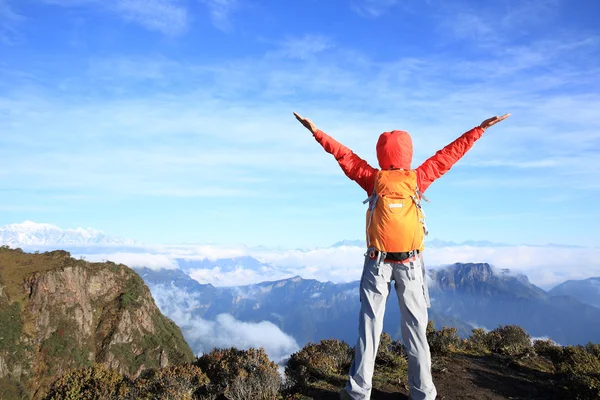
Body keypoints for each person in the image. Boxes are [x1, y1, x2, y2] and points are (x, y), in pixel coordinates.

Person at [293, 111, 510, 400]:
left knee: (369, 327)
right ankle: (423, 393)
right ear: (408, 152)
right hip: (410, 263)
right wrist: (479, 130)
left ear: (381, 153)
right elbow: (448, 155)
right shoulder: (417, 179)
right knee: (416, 331)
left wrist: (316, 131)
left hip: (377, 262)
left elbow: (344, 156)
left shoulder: (372, 178)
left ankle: (358, 393)